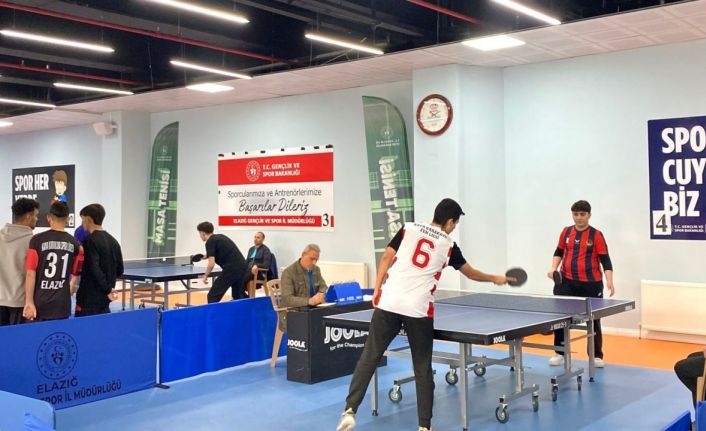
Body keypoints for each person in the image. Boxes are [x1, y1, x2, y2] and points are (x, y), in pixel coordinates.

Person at [336, 198, 510, 431]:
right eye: (456, 224)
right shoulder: (448, 244)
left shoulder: (408, 228)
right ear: (450, 222)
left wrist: (377, 288)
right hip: (418, 310)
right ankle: (424, 426)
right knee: (422, 368)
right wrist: (494, 278)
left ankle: (350, 410)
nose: (454, 228)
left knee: (370, 357)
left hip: (389, 302)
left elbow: (386, 257)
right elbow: (470, 273)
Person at [547, 200, 614, 368]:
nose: (579, 217)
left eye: (582, 214)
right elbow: (559, 251)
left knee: (594, 320)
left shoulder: (596, 235)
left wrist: (610, 281)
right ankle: (559, 352)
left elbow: (605, 260)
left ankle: (596, 356)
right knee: (561, 319)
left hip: (591, 285)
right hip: (566, 282)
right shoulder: (566, 232)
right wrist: (553, 268)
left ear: (589, 215)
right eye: (576, 214)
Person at [23, 202, 83, 322]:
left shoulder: (36, 240)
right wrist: (71, 288)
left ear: (48, 218)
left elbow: (30, 273)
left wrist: (28, 302)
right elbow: (76, 272)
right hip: (62, 302)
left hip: (41, 301)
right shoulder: (75, 243)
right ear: (68, 219)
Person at [75, 204, 124, 317]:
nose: (82, 223)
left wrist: (107, 289)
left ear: (88, 219)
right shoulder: (114, 241)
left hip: (88, 299)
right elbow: (120, 270)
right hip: (105, 300)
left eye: (82, 219)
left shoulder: (89, 241)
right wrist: (108, 289)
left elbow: (94, 268)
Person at [0, 198, 39, 325]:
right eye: (36, 215)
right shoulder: (33, 242)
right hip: (20, 303)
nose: (37, 219)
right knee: (17, 337)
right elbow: (31, 274)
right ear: (29, 216)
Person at [279, 244, 327, 331]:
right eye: (312, 259)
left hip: (313, 310)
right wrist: (309, 301)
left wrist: (321, 294)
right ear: (303, 255)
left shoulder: (316, 270)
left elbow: (323, 287)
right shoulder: (289, 272)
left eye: (316, 260)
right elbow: (287, 299)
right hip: (293, 312)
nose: (314, 262)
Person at [196, 222, 247, 303]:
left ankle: (214, 312)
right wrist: (206, 256)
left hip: (232, 269)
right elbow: (222, 251)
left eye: (199, 233)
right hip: (243, 267)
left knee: (212, 296)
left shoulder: (210, 242)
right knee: (238, 295)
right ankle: (252, 309)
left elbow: (211, 264)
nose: (199, 235)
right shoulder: (220, 237)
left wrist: (206, 275)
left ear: (203, 233)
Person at [239, 231, 272, 299]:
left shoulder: (266, 250)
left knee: (244, 276)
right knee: (237, 275)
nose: (255, 239)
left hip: (259, 273)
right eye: (255, 237)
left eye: (258, 237)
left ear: (263, 239)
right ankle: (242, 296)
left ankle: (241, 295)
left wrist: (257, 265)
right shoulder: (251, 249)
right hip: (249, 271)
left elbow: (266, 265)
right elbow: (246, 262)